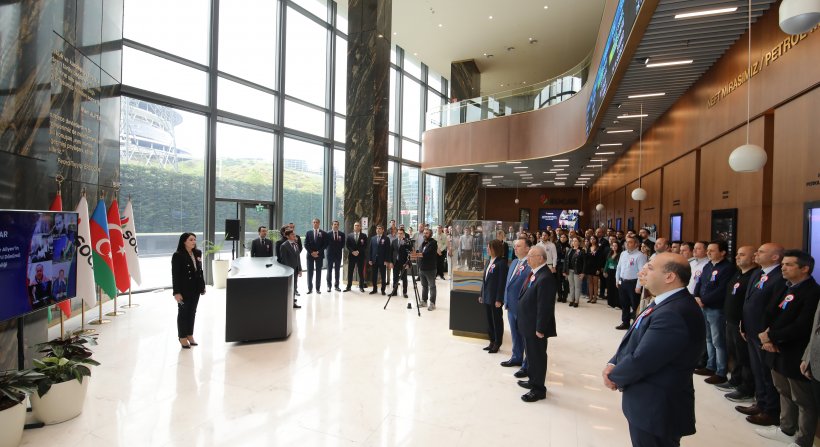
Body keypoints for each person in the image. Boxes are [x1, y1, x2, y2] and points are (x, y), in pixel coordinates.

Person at [603, 252, 706, 446]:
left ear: (669, 277)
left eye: (650, 268)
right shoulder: (665, 301)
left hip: (656, 407)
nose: (642, 271)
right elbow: (635, 338)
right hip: (649, 403)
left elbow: (643, 359)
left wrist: (614, 376)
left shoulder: (674, 312)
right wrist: (614, 362)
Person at [757, 250, 820, 446]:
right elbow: (769, 311)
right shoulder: (786, 286)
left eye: (789, 265)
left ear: (805, 268)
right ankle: (786, 428)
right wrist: (766, 338)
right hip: (774, 348)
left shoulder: (813, 292)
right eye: (783, 264)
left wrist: (771, 336)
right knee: (782, 390)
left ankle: (803, 440)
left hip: (794, 351)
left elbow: (802, 326)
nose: (783, 268)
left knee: (802, 399)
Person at [737, 243, 785, 426]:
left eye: (761, 252)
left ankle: (770, 410)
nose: (756, 254)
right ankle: (761, 403)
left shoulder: (779, 277)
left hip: (764, 333)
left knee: (766, 373)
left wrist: (769, 334)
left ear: (775, 257)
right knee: (757, 370)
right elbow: (748, 300)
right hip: (751, 330)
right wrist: (743, 324)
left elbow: (775, 309)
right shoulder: (758, 273)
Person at [516, 245, 557, 402]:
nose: (527, 259)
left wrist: (540, 328)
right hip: (528, 324)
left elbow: (545, 306)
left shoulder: (545, 277)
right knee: (531, 356)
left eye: (531, 256)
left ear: (540, 258)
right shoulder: (536, 273)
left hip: (536, 327)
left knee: (537, 357)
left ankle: (539, 389)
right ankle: (533, 380)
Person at [693, 240, 737, 385]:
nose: (708, 253)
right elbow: (699, 282)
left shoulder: (728, 268)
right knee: (708, 338)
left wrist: (704, 300)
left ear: (722, 252)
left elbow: (722, 290)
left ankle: (721, 371)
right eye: (708, 250)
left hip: (716, 308)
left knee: (718, 341)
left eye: (712, 250)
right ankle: (710, 366)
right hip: (703, 306)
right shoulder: (708, 265)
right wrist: (696, 296)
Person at [720, 245, 758, 403]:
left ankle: (746, 388)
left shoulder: (755, 276)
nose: (737, 257)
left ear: (753, 258)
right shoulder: (738, 273)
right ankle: (735, 380)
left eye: (742, 255)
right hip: (730, 320)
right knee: (734, 353)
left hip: (742, 324)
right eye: (737, 254)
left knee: (744, 357)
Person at [501, 237, 532, 378]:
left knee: (525, 337)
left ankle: (526, 365)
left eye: (518, 246)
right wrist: (506, 300)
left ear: (527, 248)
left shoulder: (530, 265)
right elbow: (509, 284)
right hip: (511, 305)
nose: (515, 248)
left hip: (523, 308)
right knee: (515, 334)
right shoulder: (514, 262)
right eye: (515, 246)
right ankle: (516, 357)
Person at [171, 232, 206, 349]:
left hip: (196, 288)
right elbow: (175, 275)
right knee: (183, 313)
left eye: (194, 239)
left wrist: (202, 286)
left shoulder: (198, 252)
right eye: (191, 240)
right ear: (184, 241)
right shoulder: (178, 255)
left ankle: (190, 335)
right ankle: (182, 337)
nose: (193, 242)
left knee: (192, 312)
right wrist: (176, 292)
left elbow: (200, 271)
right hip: (184, 290)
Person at [479, 239, 508, 352]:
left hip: (495, 298)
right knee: (489, 320)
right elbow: (484, 280)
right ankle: (491, 341)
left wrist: (499, 299)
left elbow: (502, 283)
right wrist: (481, 294)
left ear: (495, 249)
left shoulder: (501, 263)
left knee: (497, 321)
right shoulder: (488, 261)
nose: (487, 249)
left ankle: (497, 342)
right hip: (487, 296)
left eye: (489, 247)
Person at [614, 236, 647, 330]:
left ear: (636, 244)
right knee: (624, 304)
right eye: (626, 242)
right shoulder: (623, 253)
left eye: (630, 242)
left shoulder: (640, 256)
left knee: (635, 305)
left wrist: (638, 286)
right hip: (622, 282)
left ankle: (636, 325)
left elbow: (641, 272)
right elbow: (619, 268)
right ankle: (625, 322)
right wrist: (617, 280)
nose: (627, 244)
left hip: (633, 283)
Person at [415, 228, 439, 310]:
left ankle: (432, 303)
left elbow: (426, 254)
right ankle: (424, 301)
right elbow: (420, 252)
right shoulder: (423, 243)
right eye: (424, 233)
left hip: (430, 269)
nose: (425, 234)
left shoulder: (433, 243)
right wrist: (416, 253)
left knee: (432, 286)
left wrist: (417, 254)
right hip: (422, 268)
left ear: (430, 234)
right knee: (424, 286)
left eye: (427, 233)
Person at [304, 218, 328, 295]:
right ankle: (310, 289)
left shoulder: (323, 233)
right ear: (312, 223)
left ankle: (318, 289)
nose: (315, 223)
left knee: (318, 272)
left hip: (319, 255)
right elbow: (305, 244)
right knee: (309, 272)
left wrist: (318, 252)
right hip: (310, 256)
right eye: (314, 222)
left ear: (319, 223)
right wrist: (311, 252)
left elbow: (325, 244)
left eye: (316, 222)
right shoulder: (308, 233)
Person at [344, 222, 368, 292]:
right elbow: (347, 245)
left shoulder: (364, 236)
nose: (356, 226)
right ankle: (348, 286)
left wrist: (358, 251)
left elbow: (365, 245)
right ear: (353, 227)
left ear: (360, 227)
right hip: (352, 256)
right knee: (350, 272)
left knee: (361, 272)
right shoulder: (349, 235)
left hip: (360, 256)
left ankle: (361, 286)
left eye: (358, 225)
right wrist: (352, 252)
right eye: (355, 225)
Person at [563, 236, 586, 308]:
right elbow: (565, 261)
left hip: (578, 271)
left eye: (576, 241)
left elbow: (584, 263)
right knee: (571, 286)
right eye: (573, 241)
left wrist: (583, 272)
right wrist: (564, 271)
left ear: (579, 242)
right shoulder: (569, 250)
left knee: (577, 286)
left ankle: (576, 301)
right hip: (569, 270)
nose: (574, 242)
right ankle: (571, 300)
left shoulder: (582, 251)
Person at [388, 227, 411, 298]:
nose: (399, 235)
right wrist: (391, 262)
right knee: (395, 278)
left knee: (404, 278)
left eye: (401, 233)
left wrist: (408, 263)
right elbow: (391, 252)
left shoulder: (406, 241)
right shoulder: (394, 241)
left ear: (403, 234)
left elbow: (409, 252)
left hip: (404, 263)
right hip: (395, 262)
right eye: (398, 233)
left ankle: (405, 292)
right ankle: (394, 292)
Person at [368, 224, 390, 295]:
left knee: (383, 276)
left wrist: (386, 260)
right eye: (377, 228)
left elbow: (387, 251)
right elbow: (370, 250)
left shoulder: (386, 239)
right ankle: (374, 289)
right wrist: (370, 259)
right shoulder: (373, 238)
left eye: (380, 228)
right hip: (374, 260)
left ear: (383, 230)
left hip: (383, 260)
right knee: (374, 275)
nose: (378, 230)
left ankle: (383, 290)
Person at [325, 220, 344, 292]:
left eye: (337, 224)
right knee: (329, 270)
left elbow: (342, 244)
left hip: (338, 255)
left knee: (337, 271)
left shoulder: (342, 234)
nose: (336, 225)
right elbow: (325, 244)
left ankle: (337, 286)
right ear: (332, 225)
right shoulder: (327, 234)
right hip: (330, 255)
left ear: (338, 226)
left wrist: (337, 249)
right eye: (334, 224)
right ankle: (329, 286)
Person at [604, 240, 621, 308]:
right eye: (613, 246)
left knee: (616, 288)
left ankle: (617, 304)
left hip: (616, 272)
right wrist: (605, 271)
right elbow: (607, 263)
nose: (614, 247)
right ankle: (610, 303)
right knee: (609, 287)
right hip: (609, 271)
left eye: (615, 246)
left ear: (618, 247)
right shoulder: (610, 253)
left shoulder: (620, 254)